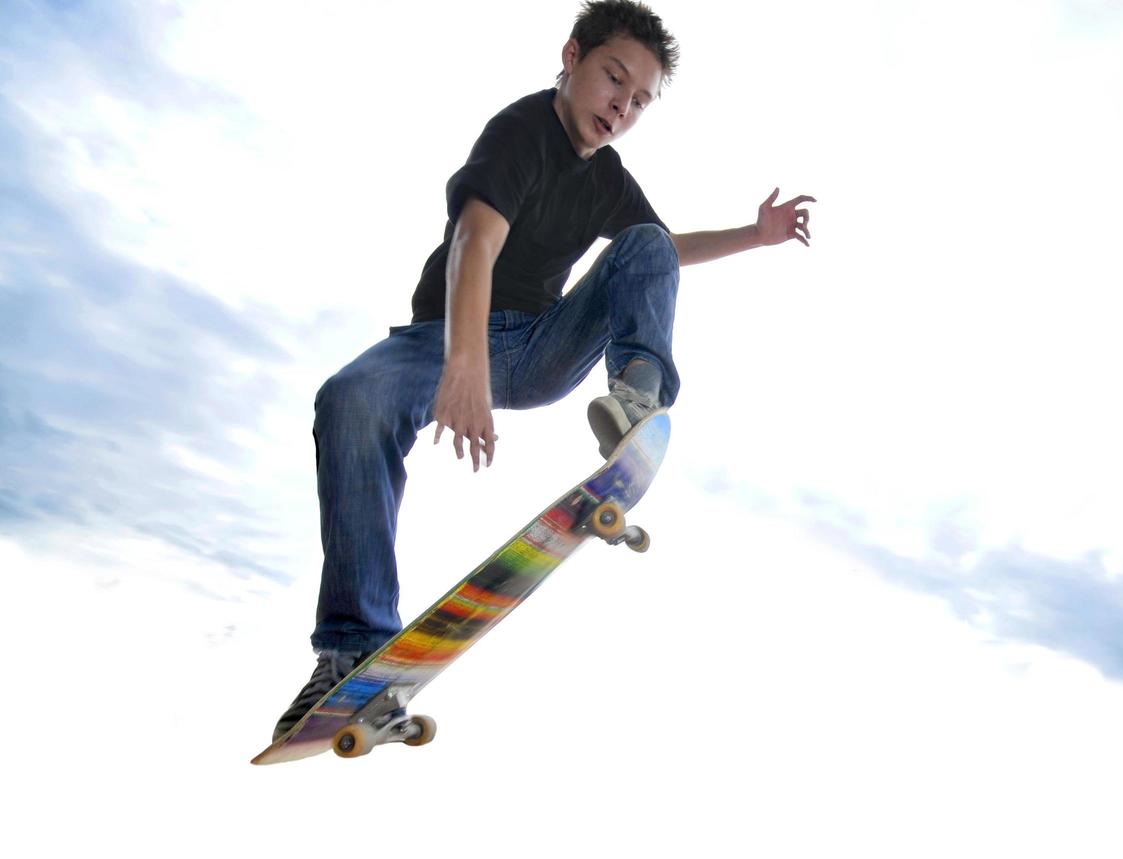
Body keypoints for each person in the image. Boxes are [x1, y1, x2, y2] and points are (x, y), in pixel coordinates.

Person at [272, 0, 815, 738]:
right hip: (440, 340)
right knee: (349, 400)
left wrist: (754, 236)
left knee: (645, 242)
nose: (620, 108)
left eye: (637, 102)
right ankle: (350, 651)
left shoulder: (609, 179)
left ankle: (635, 399)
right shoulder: (522, 131)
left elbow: (660, 255)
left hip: (538, 348)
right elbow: (474, 242)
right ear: (571, 58)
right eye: (611, 80)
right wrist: (463, 364)